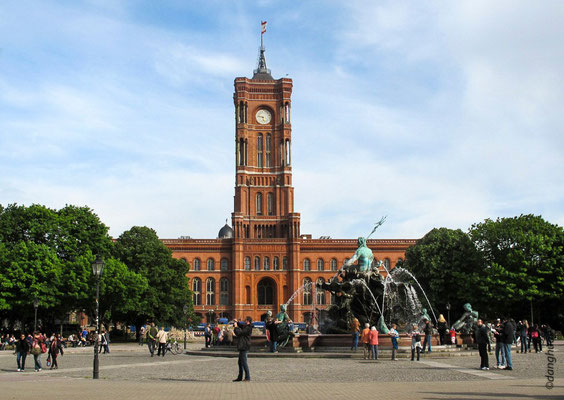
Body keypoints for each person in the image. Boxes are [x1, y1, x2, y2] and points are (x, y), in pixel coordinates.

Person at [233, 316, 252, 382]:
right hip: (243, 346)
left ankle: (247, 377)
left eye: (245, 320)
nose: (244, 321)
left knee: (244, 362)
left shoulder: (248, 328)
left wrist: (235, 327)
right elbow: (241, 326)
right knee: (240, 362)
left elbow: (239, 333)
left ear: (248, 321)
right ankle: (240, 377)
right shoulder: (246, 327)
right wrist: (237, 322)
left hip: (244, 346)